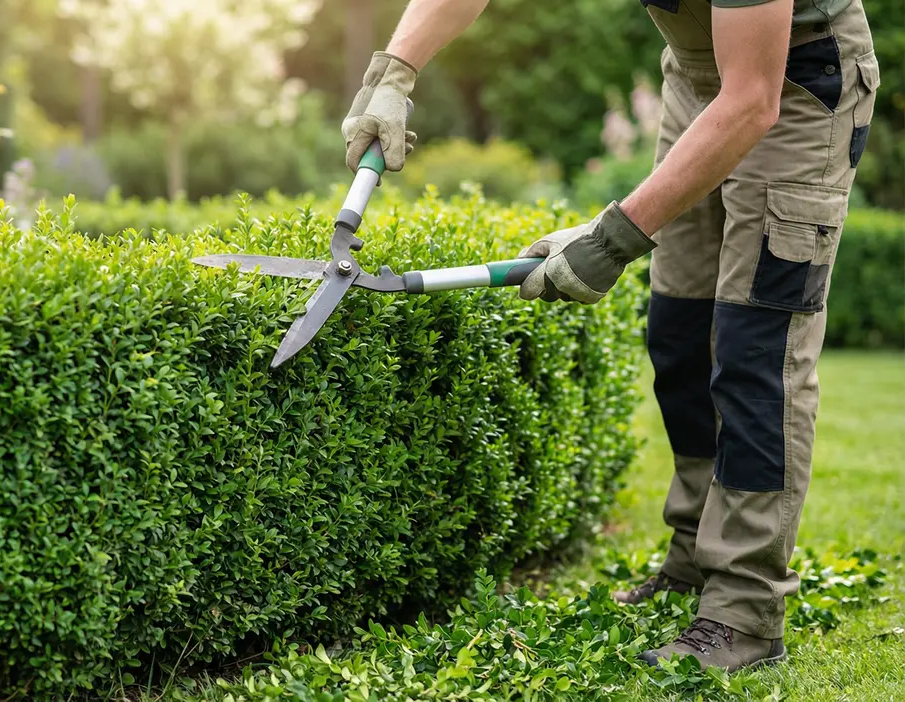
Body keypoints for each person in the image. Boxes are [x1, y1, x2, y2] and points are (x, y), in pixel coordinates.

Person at [342, 0, 879, 674]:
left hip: (795, 86)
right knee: (679, 334)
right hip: (694, 78)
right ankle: (692, 558)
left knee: (755, 348)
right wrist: (393, 74)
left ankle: (744, 609)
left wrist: (610, 242)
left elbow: (750, 100)